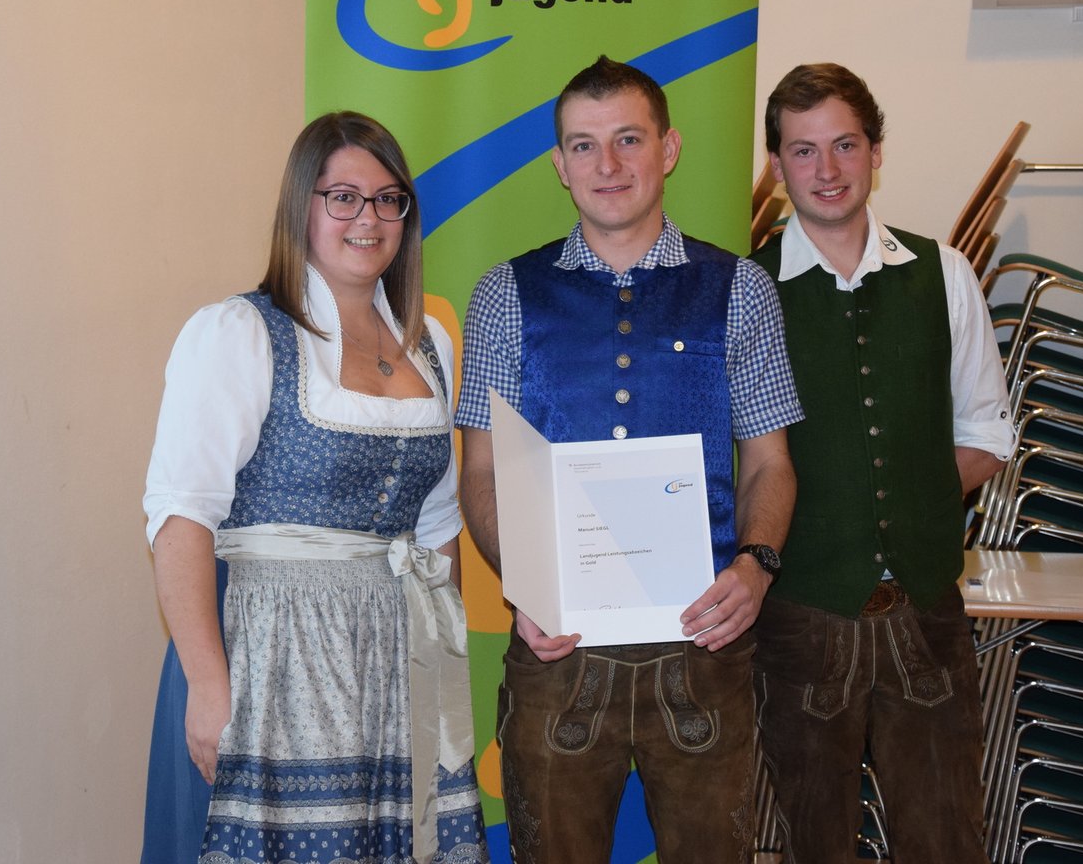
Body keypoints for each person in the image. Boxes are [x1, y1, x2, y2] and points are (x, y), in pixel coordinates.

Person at [455, 55, 802, 863]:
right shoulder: (505, 294)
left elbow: (770, 461)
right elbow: (481, 470)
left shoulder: (741, 288)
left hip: (704, 648)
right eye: (584, 145)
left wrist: (755, 567)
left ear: (668, 149)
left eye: (628, 139)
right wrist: (527, 581)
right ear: (560, 164)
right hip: (560, 650)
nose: (606, 164)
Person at [139, 112, 488, 864]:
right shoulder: (240, 333)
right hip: (273, 654)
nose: (369, 218)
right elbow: (181, 518)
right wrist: (208, 686)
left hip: (398, 660)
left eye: (388, 199)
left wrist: (439, 678)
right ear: (302, 206)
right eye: (343, 197)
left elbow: (436, 530)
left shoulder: (431, 345)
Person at [750, 63, 1013, 863]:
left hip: (926, 614)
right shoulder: (746, 288)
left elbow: (987, 434)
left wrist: (903, 509)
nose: (826, 169)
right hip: (799, 618)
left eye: (845, 145)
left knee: (946, 837)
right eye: (803, 151)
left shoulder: (945, 273)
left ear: (876, 151)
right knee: (811, 843)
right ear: (778, 164)